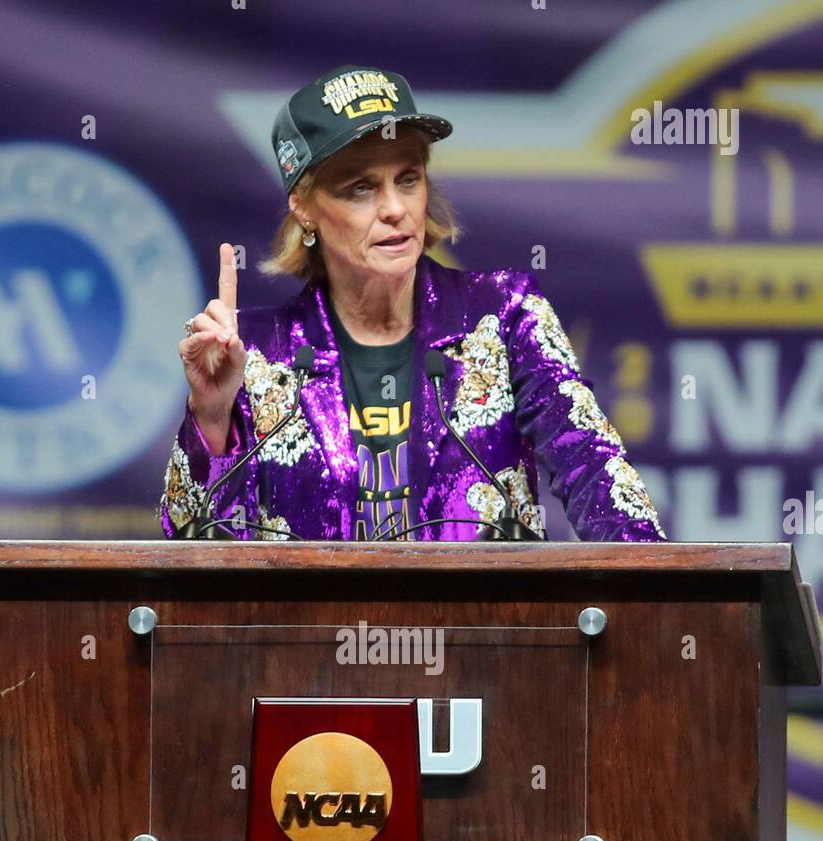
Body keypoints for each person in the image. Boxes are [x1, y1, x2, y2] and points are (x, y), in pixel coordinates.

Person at [160, 63, 665, 543]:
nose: (395, 209)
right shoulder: (256, 352)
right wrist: (211, 415)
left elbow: (596, 473)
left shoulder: (505, 315)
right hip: (320, 635)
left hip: (486, 632)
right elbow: (191, 553)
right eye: (361, 188)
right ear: (306, 209)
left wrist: (662, 604)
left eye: (408, 178)